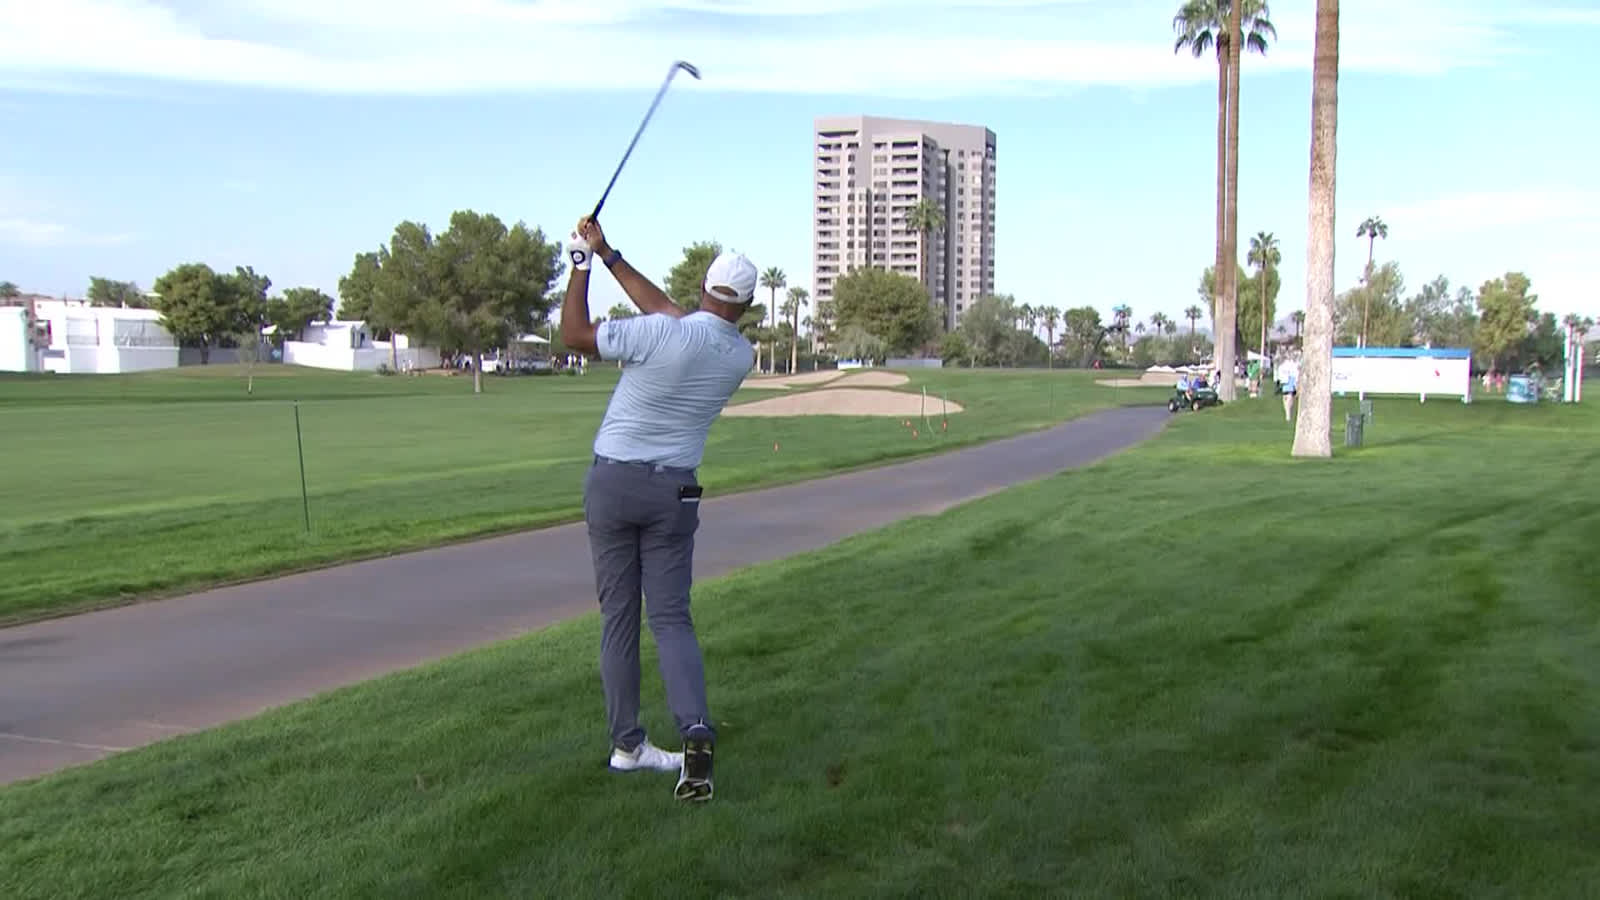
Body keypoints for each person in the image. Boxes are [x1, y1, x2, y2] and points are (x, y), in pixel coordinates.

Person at [558, 215, 756, 803]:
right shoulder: (738, 355)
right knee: (670, 618)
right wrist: (608, 253)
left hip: (613, 483)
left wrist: (580, 265)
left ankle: (628, 745)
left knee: (619, 618)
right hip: (675, 494)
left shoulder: (661, 333)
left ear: (703, 287)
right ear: (745, 307)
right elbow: (673, 314)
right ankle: (695, 734)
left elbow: (574, 335)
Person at [1279, 353, 1299, 421]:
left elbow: (1295, 374)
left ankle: (1288, 414)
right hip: (1288, 382)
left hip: (1289, 382)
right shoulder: (1286, 365)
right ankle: (1288, 413)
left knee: (1288, 398)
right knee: (1287, 398)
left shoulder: (1292, 365)